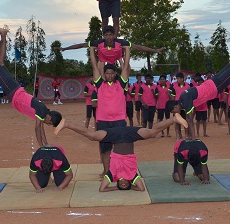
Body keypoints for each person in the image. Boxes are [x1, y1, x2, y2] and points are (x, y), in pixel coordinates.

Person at [54, 113, 188, 192]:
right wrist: (131, 186)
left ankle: (67, 124)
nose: (123, 184)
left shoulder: (112, 175)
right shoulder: (132, 175)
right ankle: (174, 119)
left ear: (117, 183)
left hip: (116, 136)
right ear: (130, 183)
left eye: (121, 185)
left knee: (92, 136)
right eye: (126, 185)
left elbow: (102, 189)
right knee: (152, 132)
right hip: (129, 135)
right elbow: (141, 188)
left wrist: (114, 188)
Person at [172, 35, 230, 141]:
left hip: (216, 86)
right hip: (212, 83)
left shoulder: (185, 101)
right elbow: (187, 120)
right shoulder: (183, 97)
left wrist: (192, 139)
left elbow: (190, 121)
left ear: (175, 106)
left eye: (174, 111)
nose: (176, 112)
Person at [0, 27, 62, 147]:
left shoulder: (43, 110)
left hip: (14, 89)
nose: (47, 125)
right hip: (12, 90)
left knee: (0, 63)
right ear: (50, 119)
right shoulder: (42, 111)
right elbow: (37, 129)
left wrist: (46, 144)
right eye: (49, 124)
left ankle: (4, 35)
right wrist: (42, 146)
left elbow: (40, 128)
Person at [89, 43, 130, 177]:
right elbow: (95, 66)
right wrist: (92, 50)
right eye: (107, 73)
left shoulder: (121, 84)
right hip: (103, 122)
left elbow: (126, 68)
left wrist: (126, 51)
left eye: (112, 73)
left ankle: (121, 170)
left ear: (115, 74)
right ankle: (107, 171)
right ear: (104, 74)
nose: (110, 76)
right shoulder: (100, 85)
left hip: (119, 121)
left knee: (121, 148)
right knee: (104, 149)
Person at [59, 25, 164, 68]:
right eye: (106, 35)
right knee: (96, 55)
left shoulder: (120, 42)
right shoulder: (99, 42)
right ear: (103, 36)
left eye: (110, 35)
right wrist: (65, 48)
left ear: (114, 35)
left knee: (126, 61)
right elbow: (81, 45)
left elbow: (139, 47)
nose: (109, 37)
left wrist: (155, 50)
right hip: (104, 58)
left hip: (116, 57)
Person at [169, 72, 191, 139]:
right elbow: (173, 97)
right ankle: (178, 135)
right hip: (177, 107)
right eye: (176, 78)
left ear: (182, 79)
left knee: (185, 121)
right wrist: (174, 106)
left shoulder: (188, 86)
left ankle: (186, 135)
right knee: (177, 122)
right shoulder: (174, 86)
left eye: (178, 78)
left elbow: (189, 97)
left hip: (185, 107)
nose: (177, 80)